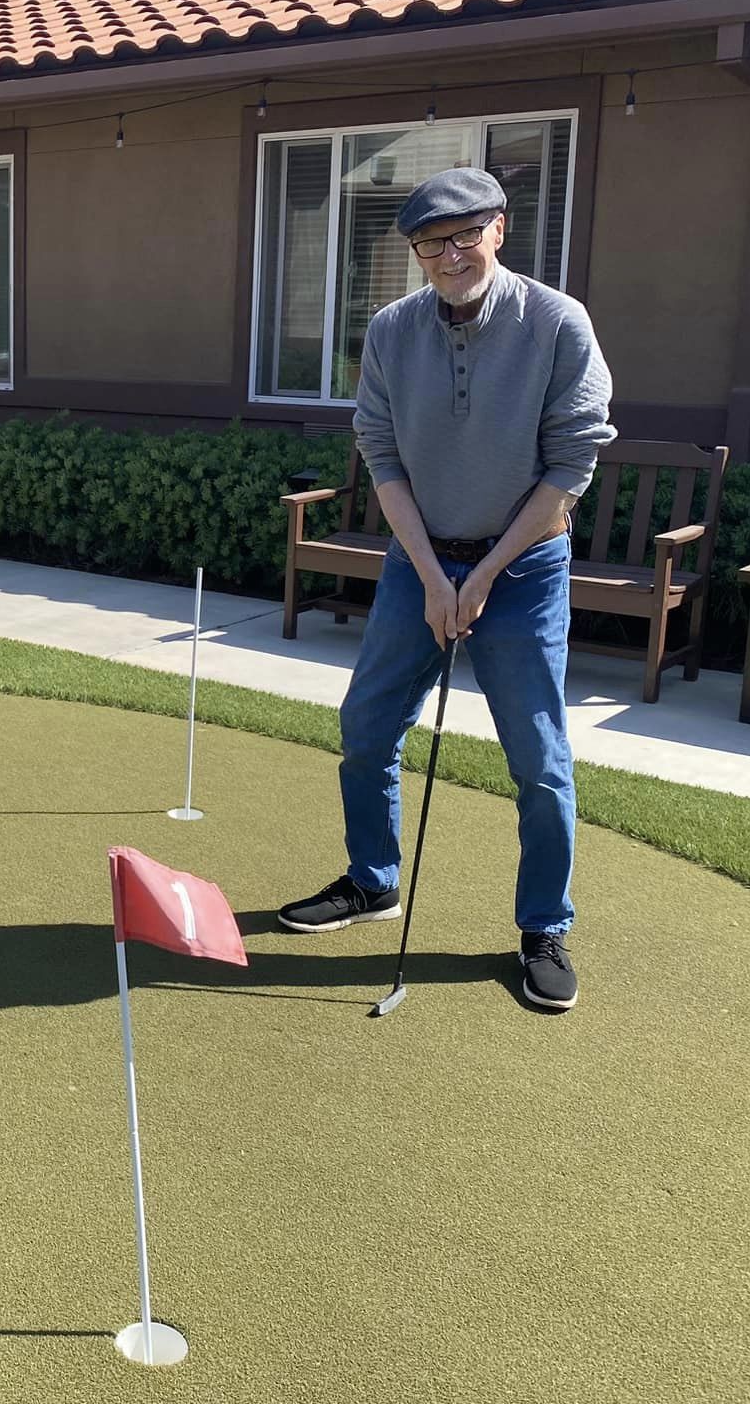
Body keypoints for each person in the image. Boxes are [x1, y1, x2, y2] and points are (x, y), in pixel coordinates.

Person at [276, 167, 615, 1011]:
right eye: (432, 242)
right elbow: (381, 454)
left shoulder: (558, 323)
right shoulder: (393, 330)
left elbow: (573, 463)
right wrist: (432, 577)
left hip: (526, 566)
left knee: (538, 760)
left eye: (467, 234)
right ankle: (372, 880)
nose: (450, 252)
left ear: (500, 229)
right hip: (418, 558)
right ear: (416, 253)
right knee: (365, 727)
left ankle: (543, 925)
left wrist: (486, 573)